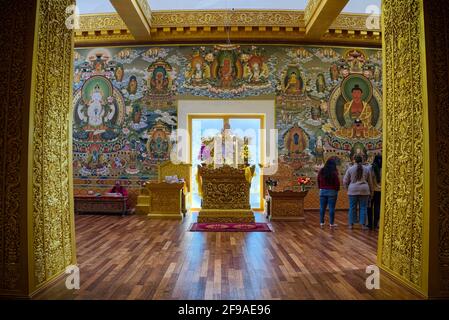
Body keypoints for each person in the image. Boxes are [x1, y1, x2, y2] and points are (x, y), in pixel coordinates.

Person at [343, 155, 373, 229]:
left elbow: (345, 181)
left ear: (354, 160)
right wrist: (371, 192)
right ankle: (363, 225)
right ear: (362, 161)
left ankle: (351, 224)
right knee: (363, 207)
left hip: (352, 190)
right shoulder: (366, 169)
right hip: (364, 190)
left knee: (352, 207)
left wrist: (347, 188)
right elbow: (370, 181)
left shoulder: (350, 169)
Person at [317, 158, 340, 228]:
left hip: (322, 191)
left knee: (322, 208)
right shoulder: (334, 172)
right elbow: (337, 182)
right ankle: (331, 223)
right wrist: (336, 189)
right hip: (332, 192)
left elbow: (318, 179)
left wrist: (320, 187)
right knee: (331, 208)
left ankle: (321, 223)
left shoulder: (321, 171)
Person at [367, 154, 382, 230]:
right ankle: (376, 225)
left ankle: (370, 224)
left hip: (371, 190)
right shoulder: (383, 168)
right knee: (377, 207)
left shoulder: (371, 168)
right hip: (379, 191)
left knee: (369, 207)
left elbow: (370, 180)